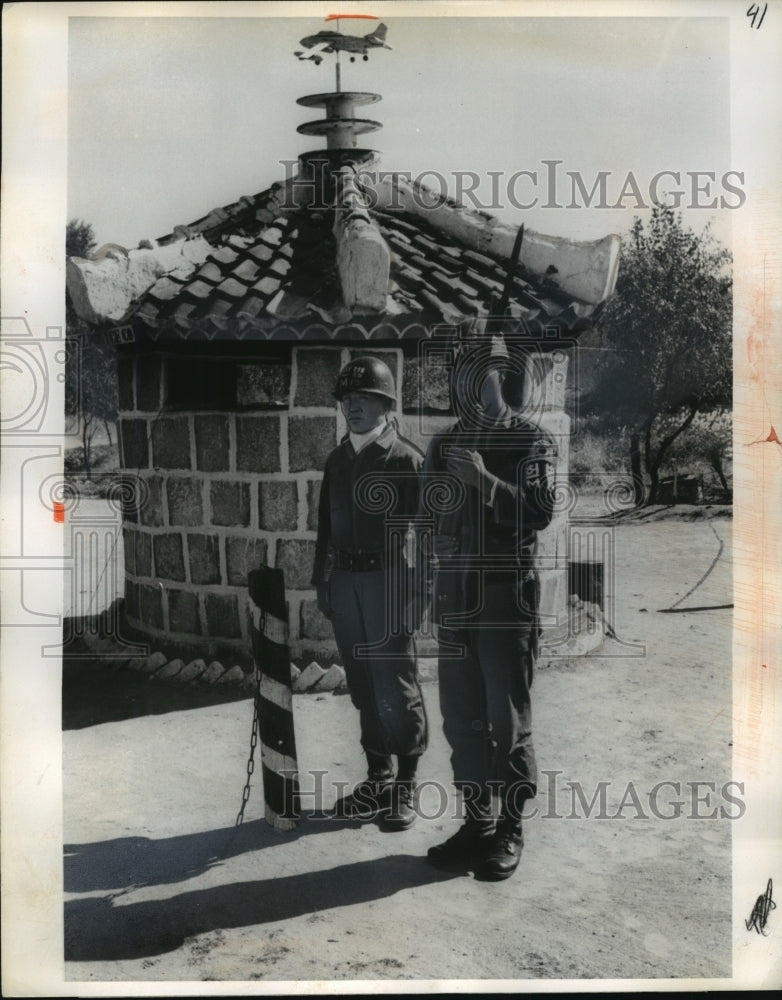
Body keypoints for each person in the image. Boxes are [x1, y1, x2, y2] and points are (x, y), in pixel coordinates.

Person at [421, 335, 557, 879]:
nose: (472, 389)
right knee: (462, 716)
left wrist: (485, 482)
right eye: (462, 379)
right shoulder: (446, 442)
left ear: (504, 379)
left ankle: (510, 826)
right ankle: (477, 822)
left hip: (504, 597)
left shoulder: (530, 440)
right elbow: (430, 513)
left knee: (507, 718)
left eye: (483, 377)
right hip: (456, 596)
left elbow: (540, 511)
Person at [312, 356, 427, 830]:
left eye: (364, 399)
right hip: (347, 587)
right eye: (347, 400)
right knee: (361, 683)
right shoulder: (338, 461)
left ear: (386, 404)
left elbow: (427, 537)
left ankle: (406, 783)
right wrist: (324, 582)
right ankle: (377, 776)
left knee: (395, 685)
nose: (353, 407)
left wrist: (418, 594)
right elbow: (324, 528)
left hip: (389, 585)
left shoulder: (406, 460)